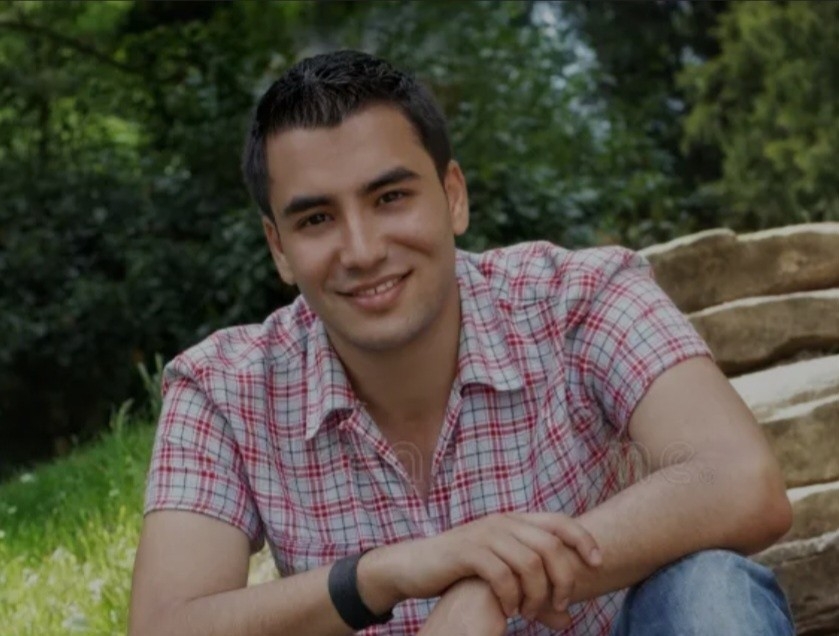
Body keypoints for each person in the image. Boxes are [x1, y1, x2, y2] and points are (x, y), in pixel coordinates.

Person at [128, 50, 795, 636]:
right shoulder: (222, 389)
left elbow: (739, 478)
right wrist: (383, 574)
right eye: (316, 219)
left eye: (390, 197)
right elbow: (165, 626)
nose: (361, 250)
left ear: (452, 197)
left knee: (709, 590)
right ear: (279, 247)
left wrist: (489, 584)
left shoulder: (578, 296)